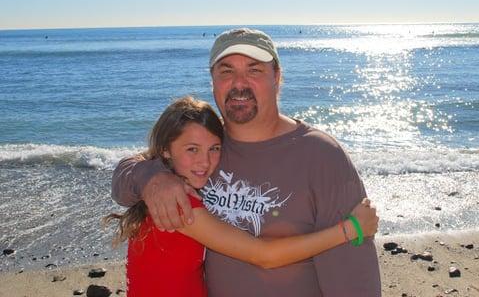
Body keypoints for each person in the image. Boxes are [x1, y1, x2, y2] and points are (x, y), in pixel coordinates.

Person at [113, 28, 382, 296]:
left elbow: (354, 273)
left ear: (277, 76)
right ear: (213, 81)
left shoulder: (321, 154)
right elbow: (122, 182)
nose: (239, 83)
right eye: (226, 71)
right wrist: (152, 177)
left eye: (254, 70)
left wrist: (352, 229)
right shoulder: (206, 146)